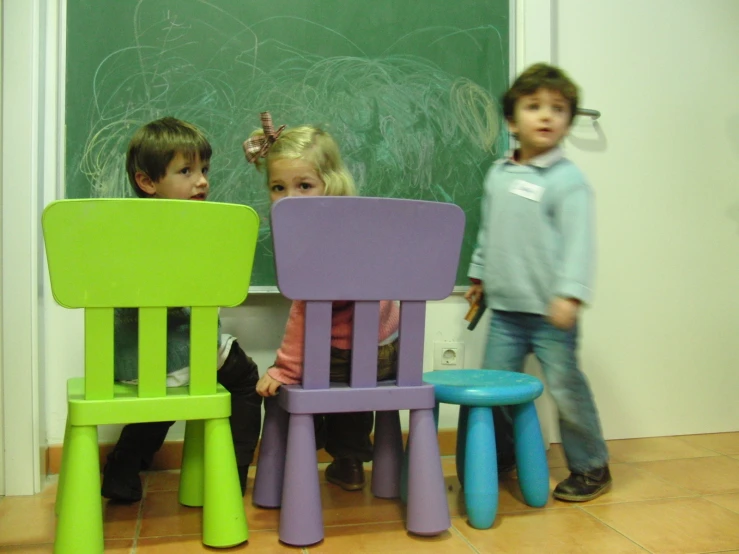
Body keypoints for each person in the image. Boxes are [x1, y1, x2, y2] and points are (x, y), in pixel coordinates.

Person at [465, 64, 611, 501]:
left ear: (568, 121)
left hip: (551, 314)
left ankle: (591, 466)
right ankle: (503, 456)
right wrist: (479, 275)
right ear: (513, 121)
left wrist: (571, 294)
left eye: (558, 108)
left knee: (567, 390)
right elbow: (490, 233)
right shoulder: (499, 175)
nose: (546, 116)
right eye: (534, 107)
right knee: (496, 389)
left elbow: (580, 245)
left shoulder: (568, 181)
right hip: (507, 311)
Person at [101, 117, 262, 503]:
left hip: (128, 364)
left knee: (164, 390)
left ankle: (124, 463)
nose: (202, 181)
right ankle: (232, 474)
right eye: (186, 171)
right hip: (177, 355)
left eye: (204, 170)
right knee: (243, 379)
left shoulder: (118, 229)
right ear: (147, 182)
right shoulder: (186, 230)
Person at [244, 113, 399, 491]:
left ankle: (297, 453)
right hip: (388, 353)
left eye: (304, 185)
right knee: (355, 382)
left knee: (278, 391)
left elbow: (306, 313)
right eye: (278, 188)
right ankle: (348, 461)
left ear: (332, 184)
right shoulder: (364, 224)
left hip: (349, 354)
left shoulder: (320, 240)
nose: (289, 198)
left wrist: (283, 370)